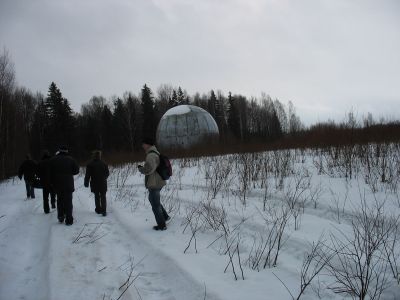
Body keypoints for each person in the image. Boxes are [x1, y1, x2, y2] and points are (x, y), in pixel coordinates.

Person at [138, 137, 170, 230]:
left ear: (148, 144)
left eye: (143, 144)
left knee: (155, 205)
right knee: (154, 201)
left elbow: (148, 169)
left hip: (154, 182)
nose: (142, 146)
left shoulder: (151, 155)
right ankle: (165, 217)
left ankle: (162, 225)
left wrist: (140, 169)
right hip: (158, 181)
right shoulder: (155, 152)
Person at [50, 146, 79, 226]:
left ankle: (60, 216)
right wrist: (69, 173)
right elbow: (76, 171)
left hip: (57, 184)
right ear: (66, 151)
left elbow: (49, 171)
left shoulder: (53, 160)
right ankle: (69, 220)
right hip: (68, 184)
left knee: (59, 200)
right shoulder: (71, 159)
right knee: (68, 201)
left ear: (59, 151)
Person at [84, 150, 109, 216]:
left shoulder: (90, 164)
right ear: (99, 156)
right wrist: (104, 178)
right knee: (103, 196)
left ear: (93, 156)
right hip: (103, 182)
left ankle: (98, 210)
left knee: (97, 196)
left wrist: (86, 182)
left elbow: (87, 175)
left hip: (94, 182)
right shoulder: (104, 163)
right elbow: (107, 173)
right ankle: (104, 211)